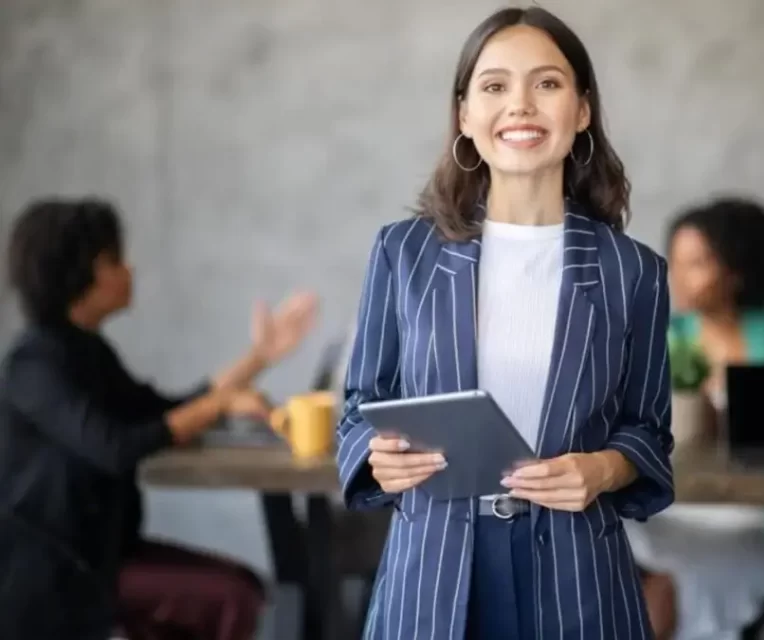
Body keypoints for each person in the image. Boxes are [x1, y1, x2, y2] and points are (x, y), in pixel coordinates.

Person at [335, 7, 674, 639]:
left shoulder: (635, 273)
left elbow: (649, 431)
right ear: (465, 115)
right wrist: (376, 458)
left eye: (546, 84)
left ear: (582, 110)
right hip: (432, 571)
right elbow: (360, 408)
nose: (520, 105)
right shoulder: (403, 253)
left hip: (579, 575)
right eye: (495, 87)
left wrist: (603, 469)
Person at [0, 197, 319, 640]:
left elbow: (167, 411)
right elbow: (114, 447)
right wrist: (219, 405)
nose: (130, 270)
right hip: (60, 576)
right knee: (233, 598)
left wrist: (259, 357)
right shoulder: (33, 364)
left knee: (243, 588)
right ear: (77, 273)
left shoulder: (87, 351)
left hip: (105, 555)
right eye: (114, 260)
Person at [627, 197, 764, 640]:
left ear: (736, 272)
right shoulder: (665, 336)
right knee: (631, 562)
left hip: (759, 513)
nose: (678, 277)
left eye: (697, 263)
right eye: (675, 262)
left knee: (665, 590)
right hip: (678, 505)